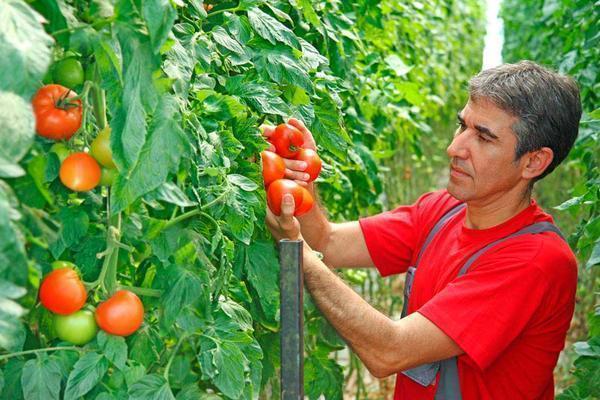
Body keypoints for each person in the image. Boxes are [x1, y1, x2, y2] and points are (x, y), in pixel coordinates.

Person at [263, 61, 582, 400]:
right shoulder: (444, 210)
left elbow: (389, 351)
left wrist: (295, 251)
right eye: (462, 127)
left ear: (534, 162)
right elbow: (328, 241)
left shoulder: (536, 262)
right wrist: (301, 186)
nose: (455, 148)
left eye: (484, 138)